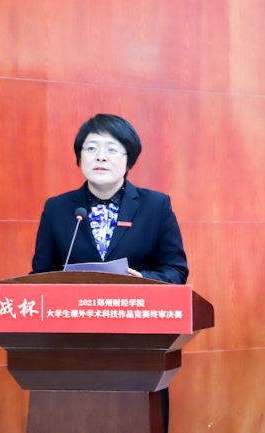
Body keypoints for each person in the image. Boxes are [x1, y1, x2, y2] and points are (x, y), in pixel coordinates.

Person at [30, 113, 188, 432]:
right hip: (70, 345)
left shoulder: (156, 206)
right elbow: (39, 276)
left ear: (129, 159)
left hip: (138, 344)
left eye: (111, 149)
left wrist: (143, 281)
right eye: (91, 148)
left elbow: (176, 270)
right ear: (79, 158)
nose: (100, 156)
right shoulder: (58, 209)